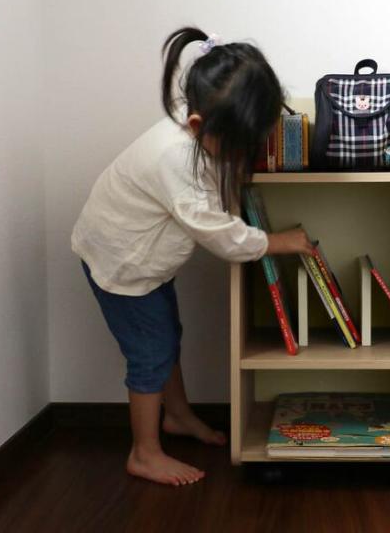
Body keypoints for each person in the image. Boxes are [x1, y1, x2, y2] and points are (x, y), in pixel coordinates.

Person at [72, 27, 313, 486]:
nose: (241, 155)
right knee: (150, 353)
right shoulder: (176, 158)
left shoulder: (198, 126)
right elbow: (219, 236)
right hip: (122, 261)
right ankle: (144, 452)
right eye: (239, 147)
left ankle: (177, 416)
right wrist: (279, 242)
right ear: (200, 126)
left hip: (143, 256)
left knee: (167, 335)